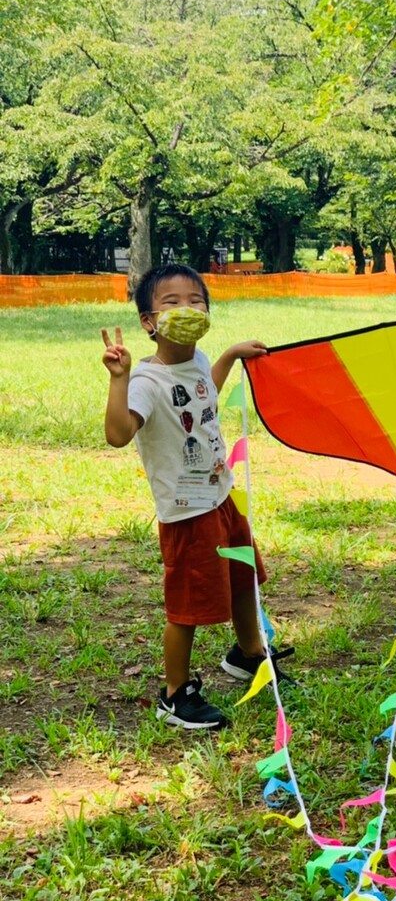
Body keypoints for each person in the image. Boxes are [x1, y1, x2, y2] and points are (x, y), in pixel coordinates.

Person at [101, 264, 291, 731]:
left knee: (243, 580)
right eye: (172, 303)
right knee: (186, 606)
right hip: (187, 512)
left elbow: (206, 393)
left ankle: (248, 654)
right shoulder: (147, 381)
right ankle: (174, 693)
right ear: (149, 321)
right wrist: (119, 378)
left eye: (196, 300)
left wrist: (227, 354)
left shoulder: (199, 359)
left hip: (222, 496)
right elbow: (118, 434)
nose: (187, 309)